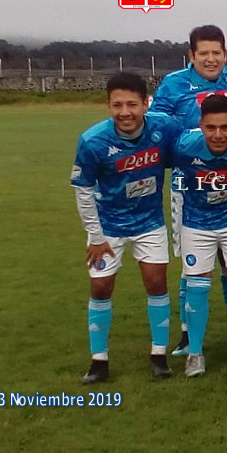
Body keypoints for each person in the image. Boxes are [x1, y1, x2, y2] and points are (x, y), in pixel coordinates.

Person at [148, 25, 227, 356]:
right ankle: (187, 335)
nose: (211, 59)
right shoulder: (173, 85)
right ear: (191, 55)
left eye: (217, 53)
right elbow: (157, 128)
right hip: (189, 186)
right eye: (204, 53)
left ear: (225, 54)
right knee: (193, 266)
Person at [70, 72, 182, 383]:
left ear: (146, 104)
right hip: (108, 226)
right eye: (117, 105)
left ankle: (159, 355)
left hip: (149, 222)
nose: (125, 112)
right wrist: (95, 237)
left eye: (132, 104)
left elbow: (189, 145)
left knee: (156, 282)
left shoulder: (164, 128)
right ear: (108, 106)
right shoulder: (93, 140)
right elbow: (83, 190)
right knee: (100, 287)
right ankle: (99, 360)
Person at [171, 94, 227, 376]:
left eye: (225, 127)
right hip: (197, 223)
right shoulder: (183, 146)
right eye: (211, 128)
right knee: (197, 285)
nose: (218, 134)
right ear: (200, 125)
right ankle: (195, 354)